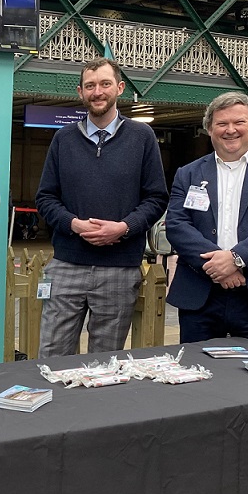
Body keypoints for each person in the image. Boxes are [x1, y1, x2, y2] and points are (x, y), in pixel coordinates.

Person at [35, 57, 168, 357]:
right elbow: (45, 198)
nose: (98, 92)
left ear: (119, 88)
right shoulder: (63, 139)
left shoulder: (142, 137)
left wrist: (124, 228)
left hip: (119, 269)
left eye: (105, 84)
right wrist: (73, 224)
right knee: (52, 354)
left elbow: (156, 198)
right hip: (67, 265)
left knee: (105, 361)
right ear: (80, 92)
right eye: (90, 86)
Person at [165, 92, 248, 345]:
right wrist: (219, 266)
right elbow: (176, 225)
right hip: (200, 293)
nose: (231, 130)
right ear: (209, 128)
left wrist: (236, 259)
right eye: (222, 124)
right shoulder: (188, 173)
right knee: (198, 376)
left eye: (239, 122)